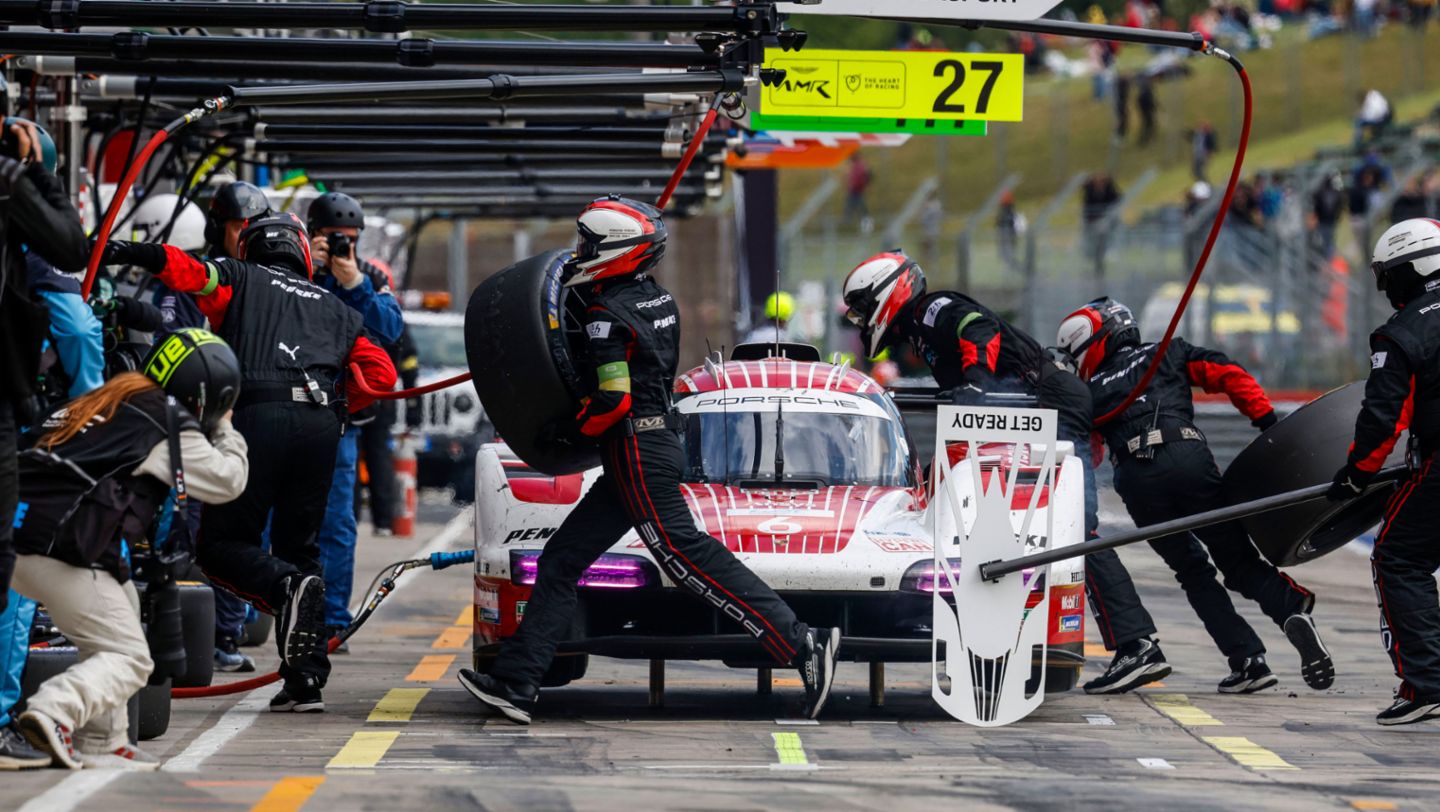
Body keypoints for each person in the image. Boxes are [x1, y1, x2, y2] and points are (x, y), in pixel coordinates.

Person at [458, 196, 839, 724]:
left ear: (613, 251)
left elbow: (613, 399)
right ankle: (517, 682)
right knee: (562, 559)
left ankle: (801, 644)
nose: (579, 251)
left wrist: (567, 431)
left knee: (684, 557)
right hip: (651, 444)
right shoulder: (656, 299)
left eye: (587, 244)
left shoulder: (602, 316)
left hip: (636, 447)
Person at [100, 211, 397, 714]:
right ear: (303, 252)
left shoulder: (237, 277)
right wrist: (330, 400)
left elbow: (186, 271)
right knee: (301, 552)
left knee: (219, 547)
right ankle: (305, 683)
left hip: (257, 417)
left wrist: (127, 251)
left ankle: (284, 590)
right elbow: (381, 375)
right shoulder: (338, 307)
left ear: (252, 248)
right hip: (322, 426)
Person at [841, 252, 1169, 694]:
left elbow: (979, 330)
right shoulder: (918, 331)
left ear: (886, 291)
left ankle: (1137, 644)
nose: (862, 320)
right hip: (1035, 406)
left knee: (1074, 530)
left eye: (864, 307)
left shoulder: (932, 310)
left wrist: (975, 381)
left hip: (1047, 402)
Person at [1057, 297, 1333, 694]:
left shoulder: (1089, 390)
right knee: (1237, 562)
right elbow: (1231, 376)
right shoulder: (1168, 350)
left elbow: (1090, 452)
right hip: (1190, 460)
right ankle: (1290, 607)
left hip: (1139, 478)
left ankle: (1248, 660)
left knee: (1193, 573)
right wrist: (1268, 425)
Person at [12, 329, 247, 770]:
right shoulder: (169, 424)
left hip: (22, 537)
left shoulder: (109, 398)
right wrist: (226, 429)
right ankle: (53, 711)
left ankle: (105, 741)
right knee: (129, 657)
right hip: (60, 547)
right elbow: (227, 481)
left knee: (121, 608)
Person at [0, 116, 88, 770]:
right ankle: (1, 716)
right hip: (17, 407)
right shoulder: (18, 197)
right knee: (13, 562)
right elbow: (79, 327)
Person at [1327, 219, 1440, 724]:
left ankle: (1427, 685)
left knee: (1397, 558)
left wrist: (1356, 473)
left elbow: (1382, 417)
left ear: (1412, 270)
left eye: (1387, 274)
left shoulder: (1403, 332)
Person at [306, 192, 404, 644]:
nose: (342, 245)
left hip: (339, 413)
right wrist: (308, 265)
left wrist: (354, 284)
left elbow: (388, 332)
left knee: (337, 520)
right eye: (333, 239)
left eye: (349, 239)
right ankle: (261, 608)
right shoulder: (293, 265)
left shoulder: (369, 276)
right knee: (266, 514)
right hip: (286, 405)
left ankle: (332, 620)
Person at [204, 180, 272, 258]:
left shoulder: (273, 267)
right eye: (241, 229)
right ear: (218, 232)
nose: (249, 237)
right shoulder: (202, 269)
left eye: (256, 229)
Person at [844, 152, 873, 233]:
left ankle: (848, 221)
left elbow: (860, 177)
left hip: (856, 189)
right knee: (858, 206)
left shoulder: (858, 166)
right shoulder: (860, 165)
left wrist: (852, 184)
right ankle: (849, 221)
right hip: (857, 189)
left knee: (856, 206)